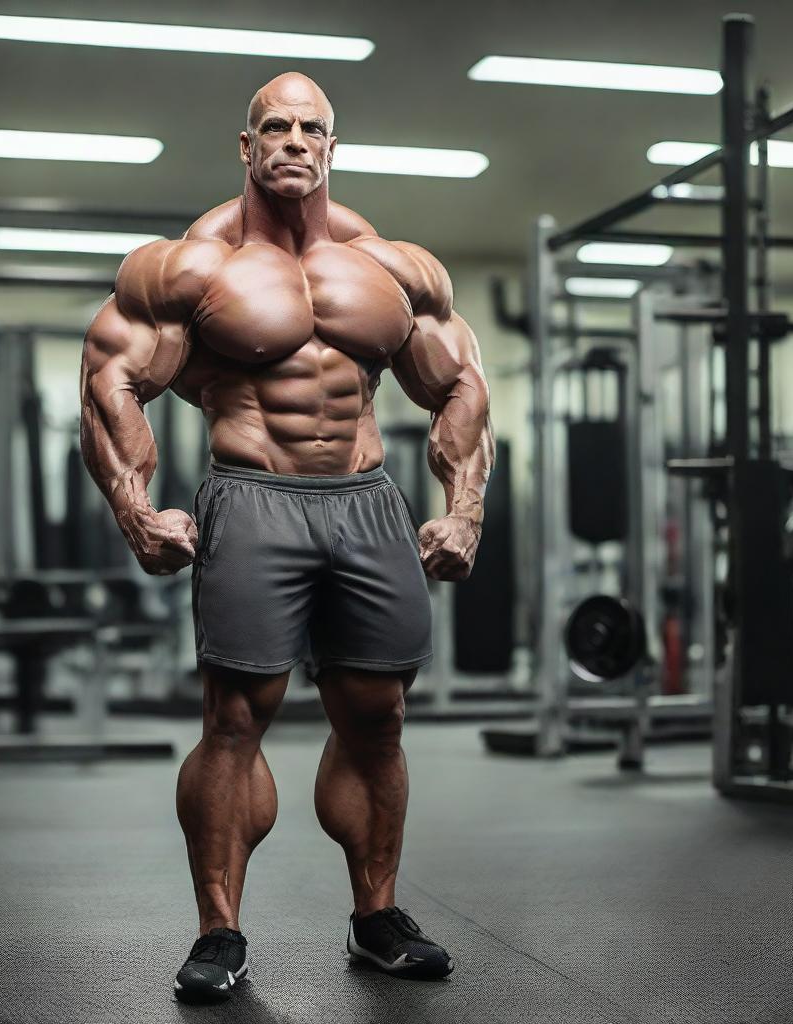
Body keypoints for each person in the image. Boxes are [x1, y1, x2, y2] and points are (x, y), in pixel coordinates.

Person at [80, 71, 494, 1004]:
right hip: (254, 496)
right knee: (234, 720)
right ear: (247, 145)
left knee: (378, 719)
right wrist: (136, 512)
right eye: (276, 125)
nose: (295, 140)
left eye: (312, 128)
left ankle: (377, 918)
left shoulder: (396, 267)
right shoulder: (191, 266)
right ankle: (220, 932)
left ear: (333, 147)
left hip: (368, 500)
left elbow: (461, 383)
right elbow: (110, 381)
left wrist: (462, 507)